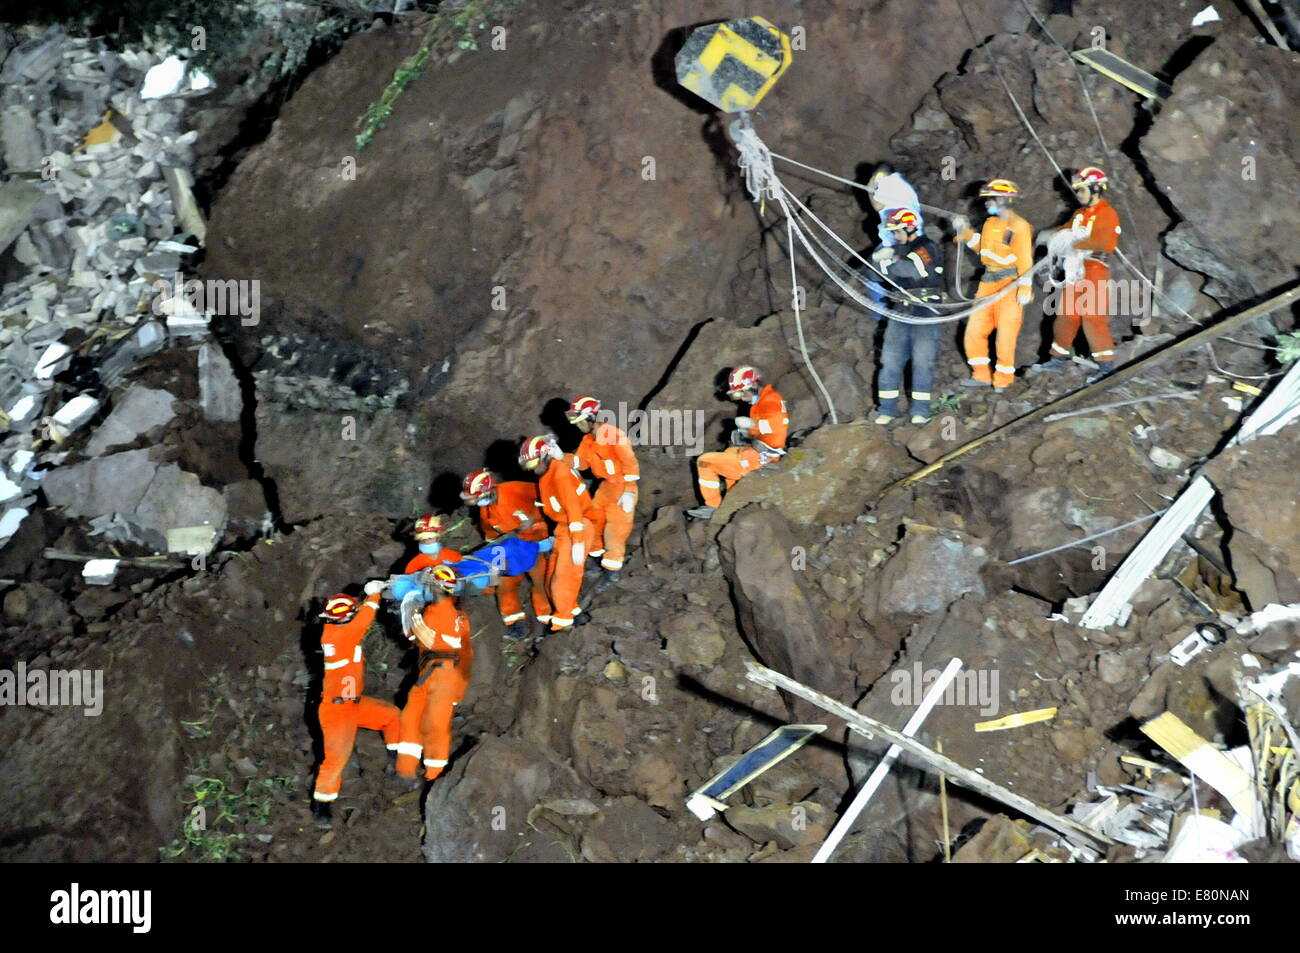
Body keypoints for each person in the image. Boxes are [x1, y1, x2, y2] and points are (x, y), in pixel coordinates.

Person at [311, 584, 399, 827]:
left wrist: (366, 595)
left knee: (391, 716)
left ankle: (396, 757)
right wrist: (374, 595)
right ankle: (322, 806)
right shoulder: (340, 635)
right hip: (337, 711)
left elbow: (356, 617)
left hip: (353, 703)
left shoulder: (335, 628)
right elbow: (363, 621)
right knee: (336, 760)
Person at [1032, 166, 1122, 383]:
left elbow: (1104, 242)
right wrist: (1050, 236)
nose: (1079, 194)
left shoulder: (1106, 213)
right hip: (1075, 269)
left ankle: (1106, 365)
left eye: (1082, 189)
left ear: (1096, 189)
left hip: (1095, 269)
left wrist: (1073, 242)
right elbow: (1065, 230)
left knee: (1092, 317)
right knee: (1067, 314)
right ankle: (1057, 359)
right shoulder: (1079, 214)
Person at [952, 179, 1035, 390]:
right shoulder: (990, 224)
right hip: (987, 283)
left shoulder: (1020, 227)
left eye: (991, 198)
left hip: (1010, 285)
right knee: (974, 330)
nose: (987, 203)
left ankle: (1004, 380)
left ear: (1006, 200)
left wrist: (1025, 287)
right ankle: (981, 375)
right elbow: (983, 249)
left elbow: (1025, 259)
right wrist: (967, 233)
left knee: (1006, 335)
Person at [393, 571, 472, 785]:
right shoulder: (447, 614)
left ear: (434, 588)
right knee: (411, 717)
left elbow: (427, 639)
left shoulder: (444, 615)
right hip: (430, 672)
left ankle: (433, 775)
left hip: (443, 674)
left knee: (435, 725)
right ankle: (406, 769)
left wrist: (413, 621)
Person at [872, 208, 947, 424]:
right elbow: (871, 271)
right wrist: (882, 259)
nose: (895, 236)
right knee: (890, 360)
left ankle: (920, 411)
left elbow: (911, 270)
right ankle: (886, 409)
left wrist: (888, 260)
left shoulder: (926, 247)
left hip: (924, 309)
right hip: (901, 310)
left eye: (897, 231)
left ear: (910, 227)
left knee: (923, 361)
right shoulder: (898, 248)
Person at [686, 366, 788, 520]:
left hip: (763, 457)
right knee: (729, 454)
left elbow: (777, 427)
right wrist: (746, 434)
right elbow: (764, 430)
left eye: (741, 393)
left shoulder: (771, 400)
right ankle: (732, 503)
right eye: (736, 395)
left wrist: (751, 425)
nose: (740, 398)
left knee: (704, 462)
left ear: (752, 386)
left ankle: (713, 506)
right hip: (758, 451)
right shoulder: (762, 400)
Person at [460, 468, 552, 638]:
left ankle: (548, 620)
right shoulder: (486, 510)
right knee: (505, 582)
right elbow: (490, 532)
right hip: (511, 548)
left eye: (476, 498)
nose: (476, 502)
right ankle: (514, 622)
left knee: (542, 580)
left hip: (535, 540)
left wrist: (534, 517)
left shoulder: (513, 489)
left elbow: (546, 492)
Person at [567, 394, 639, 593]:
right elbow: (580, 463)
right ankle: (600, 559)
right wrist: (561, 458)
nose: (577, 425)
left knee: (615, 530)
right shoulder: (588, 439)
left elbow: (630, 462)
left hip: (622, 486)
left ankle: (612, 571)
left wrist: (630, 490)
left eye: (579, 421)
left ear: (590, 417)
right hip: (606, 486)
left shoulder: (613, 435)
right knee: (594, 519)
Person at [520, 433, 590, 631]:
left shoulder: (559, 473)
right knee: (552, 578)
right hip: (563, 528)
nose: (533, 469)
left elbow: (573, 507)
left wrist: (577, 540)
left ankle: (563, 622)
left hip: (578, 526)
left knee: (563, 580)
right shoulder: (546, 475)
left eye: (535, 464)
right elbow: (550, 507)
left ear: (545, 457)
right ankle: (574, 614)